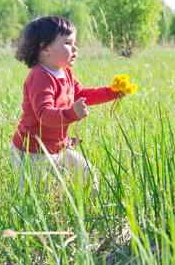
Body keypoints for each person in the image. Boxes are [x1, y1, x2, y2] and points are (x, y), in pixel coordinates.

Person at [11, 15, 120, 193]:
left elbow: (82, 94)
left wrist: (112, 92)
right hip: (32, 152)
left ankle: (90, 210)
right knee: (35, 197)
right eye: (68, 43)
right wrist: (72, 113)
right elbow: (45, 115)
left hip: (58, 147)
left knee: (87, 173)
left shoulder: (65, 73)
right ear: (45, 48)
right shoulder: (40, 77)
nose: (75, 48)